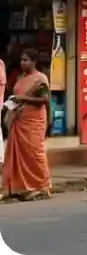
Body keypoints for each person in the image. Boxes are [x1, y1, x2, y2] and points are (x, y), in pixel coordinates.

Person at [3, 49, 51, 201]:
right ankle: (19, 187)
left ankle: (41, 187)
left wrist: (23, 98)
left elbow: (45, 100)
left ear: (34, 62)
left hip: (34, 121)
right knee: (18, 154)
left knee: (35, 154)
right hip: (19, 120)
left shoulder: (41, 79)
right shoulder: (20, 78)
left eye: (26, 60)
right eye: (22, 60)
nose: (23, 63)